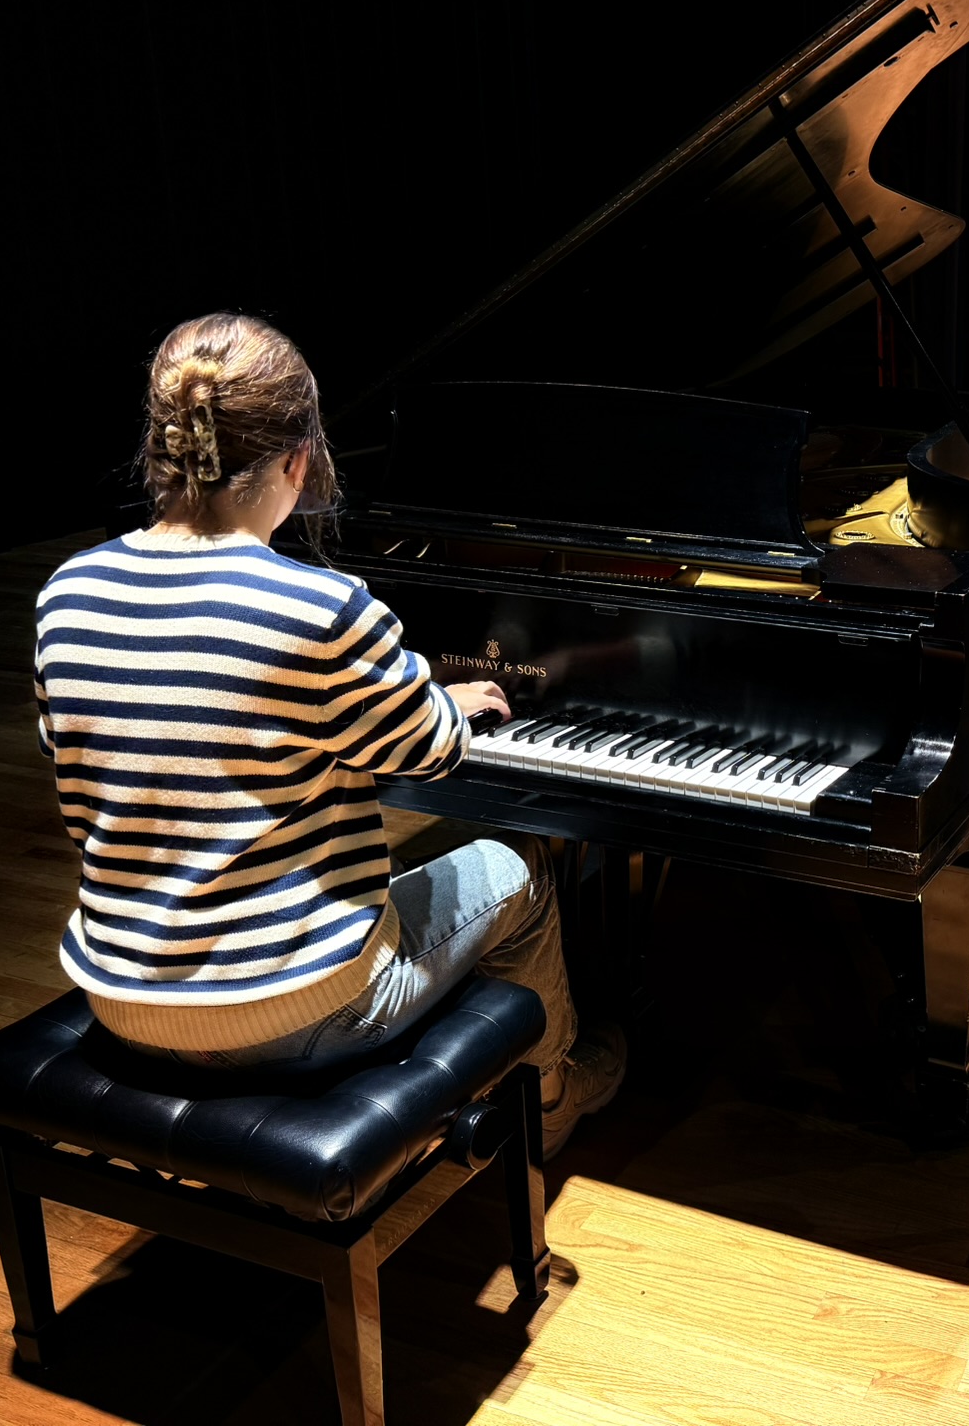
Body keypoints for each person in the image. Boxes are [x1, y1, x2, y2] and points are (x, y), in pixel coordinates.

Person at [34, 312, 622, 1155]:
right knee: (516, 866)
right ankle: (554, 1095)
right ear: (298, 459)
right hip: (297, 1013)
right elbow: (430, 750)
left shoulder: (68, 592)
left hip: (121, 999)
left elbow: (81, 768)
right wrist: (446, 698)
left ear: (162, 449)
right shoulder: (320, 608)